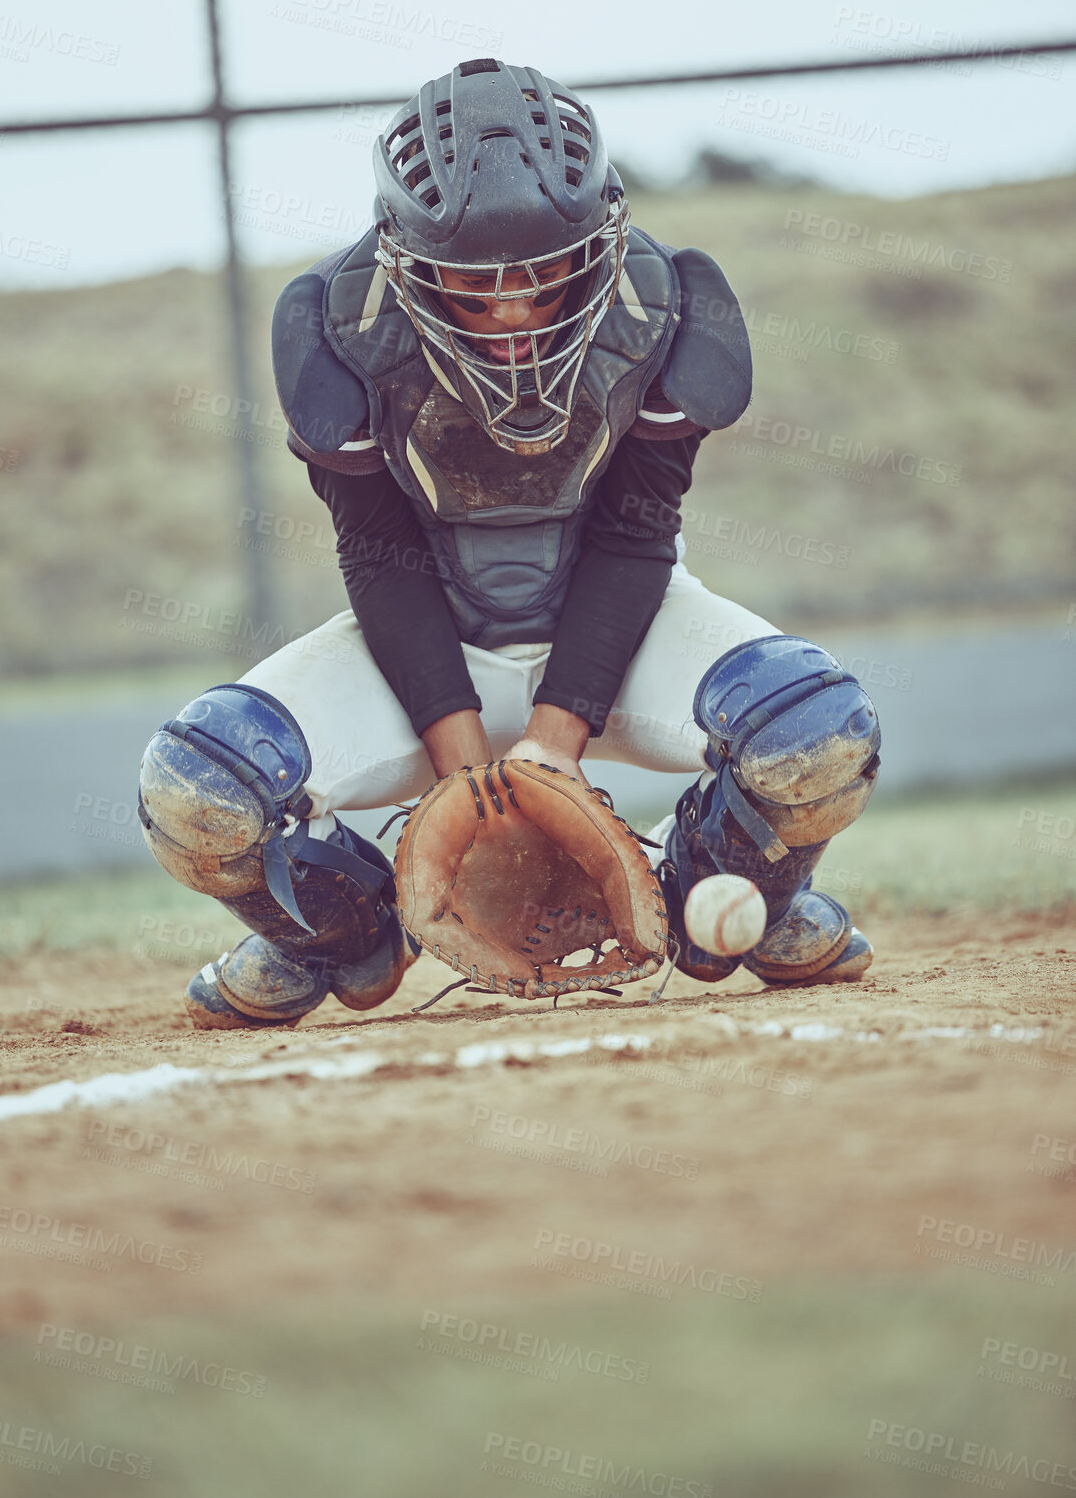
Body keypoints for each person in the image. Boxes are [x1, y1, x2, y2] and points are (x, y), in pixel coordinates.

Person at [137, 59, 880, 1029]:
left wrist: (553, 744)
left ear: (600, 237)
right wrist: (468, 786)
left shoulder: (665, 304)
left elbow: (635, 533)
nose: (518, 314)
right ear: (404, 261)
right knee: (200, 791)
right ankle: (348, 932)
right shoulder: (341, 325)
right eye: (474, 290)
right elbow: (379, 555)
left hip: (618, 635)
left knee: (815, 734)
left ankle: (729, 896)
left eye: (545, 276)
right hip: (422, 649)